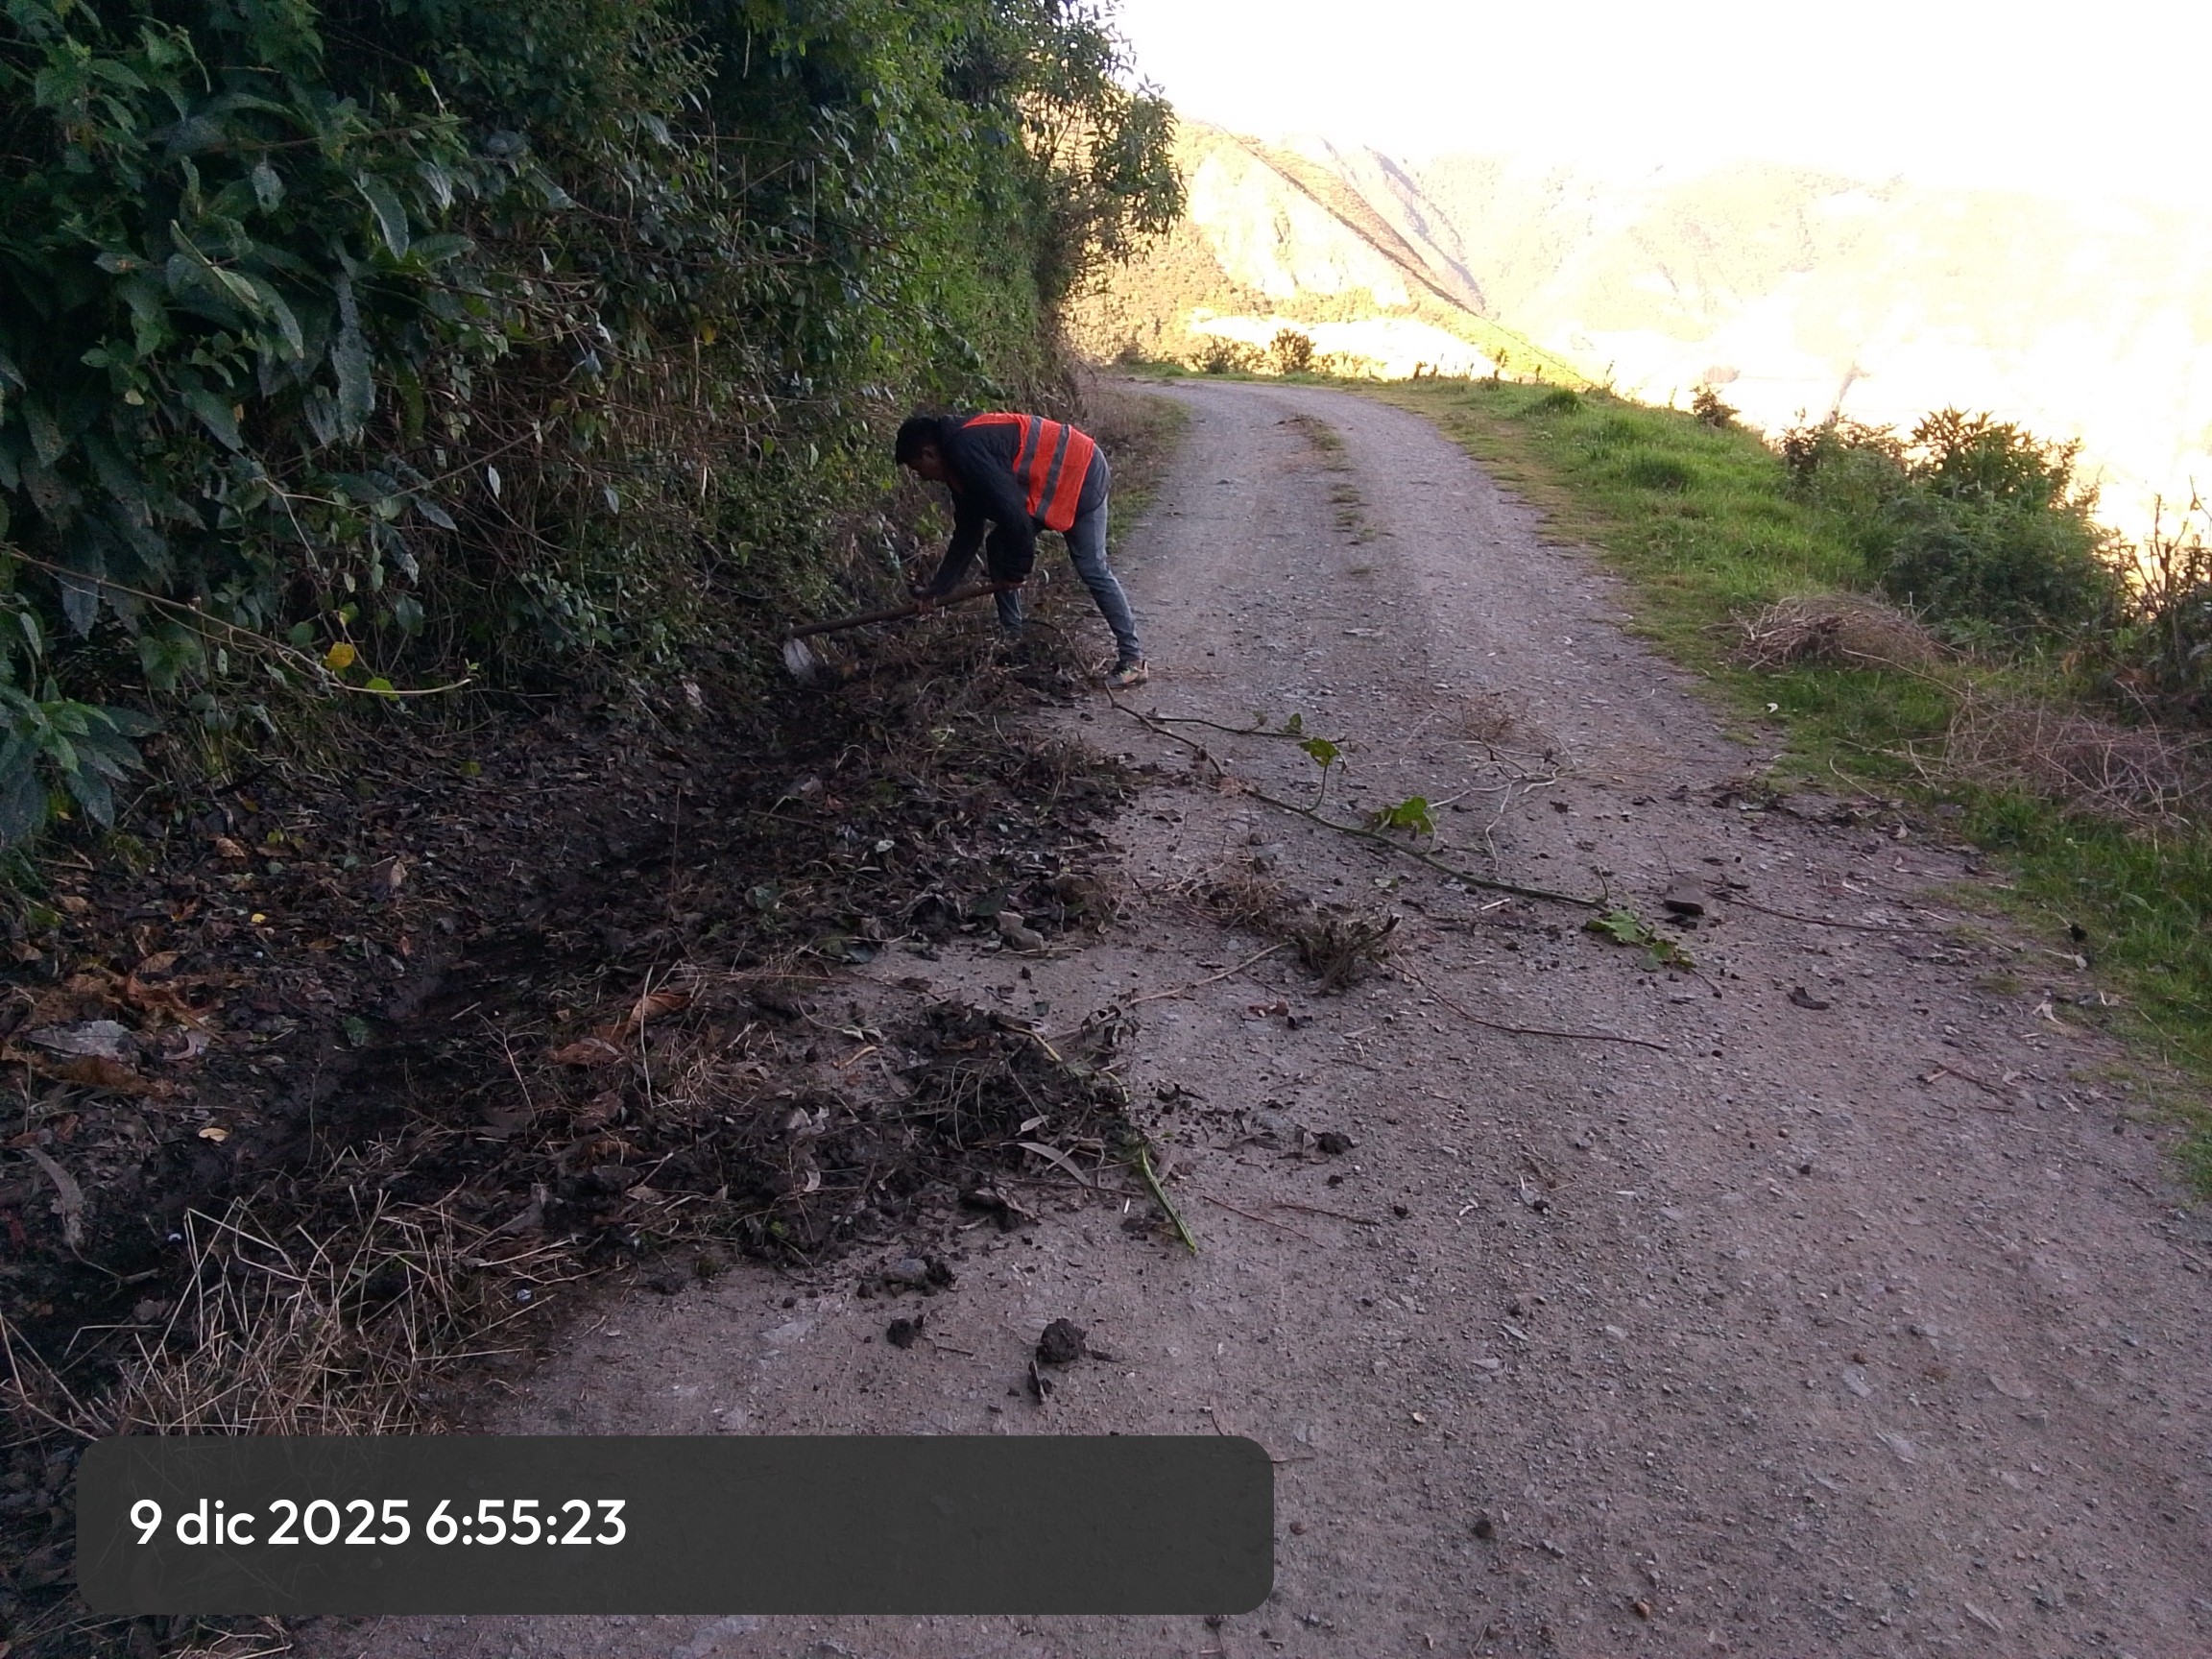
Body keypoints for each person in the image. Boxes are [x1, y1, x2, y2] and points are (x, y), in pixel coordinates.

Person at [893, 410, 1147, 688]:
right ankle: (1013, 640)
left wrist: (1017, 571)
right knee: (998, 545)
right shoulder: (958, 460)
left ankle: (1132, 660)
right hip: (1056, 477)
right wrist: (938, 589)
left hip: (1082, 469)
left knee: (1091, 567)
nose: (923, 478)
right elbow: (968, 532)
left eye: (918, 469)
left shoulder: (964, 450)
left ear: (929, 453)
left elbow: (1015, 516)